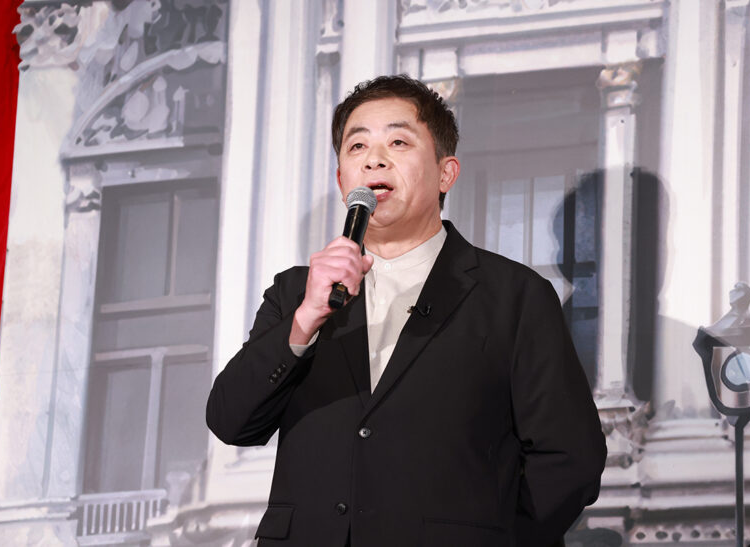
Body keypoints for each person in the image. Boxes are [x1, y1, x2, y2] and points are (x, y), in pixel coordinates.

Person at [206, 75, 606, 547]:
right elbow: (232, 421)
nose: (374, 159)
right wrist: (305, 319)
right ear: (342, 181)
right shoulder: (296, 293)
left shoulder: (514, 296)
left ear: (446, 173)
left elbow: (570, 459)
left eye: (398, 142)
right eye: (357, 146)